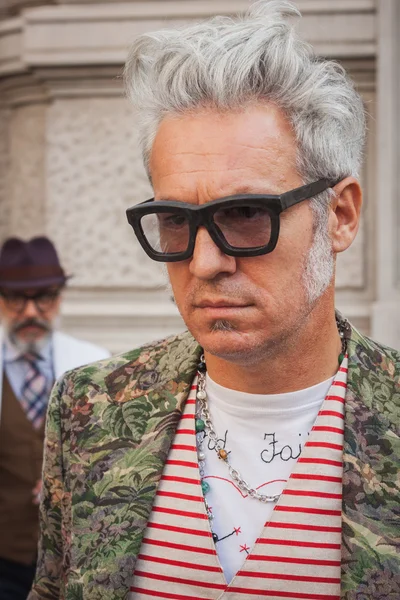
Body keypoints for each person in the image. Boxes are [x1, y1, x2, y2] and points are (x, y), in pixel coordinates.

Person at [29, 1, 399, 599]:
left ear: (341, 215)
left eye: (247, 214)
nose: (204, 262)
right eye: (175, 221)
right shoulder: (91, 407)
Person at [0, 236, 110, 600]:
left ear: (59, 297)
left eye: (43, 297)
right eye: (16, 299)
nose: (30, 313)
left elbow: (110, 456)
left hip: (73, 559)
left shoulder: (94, 364)